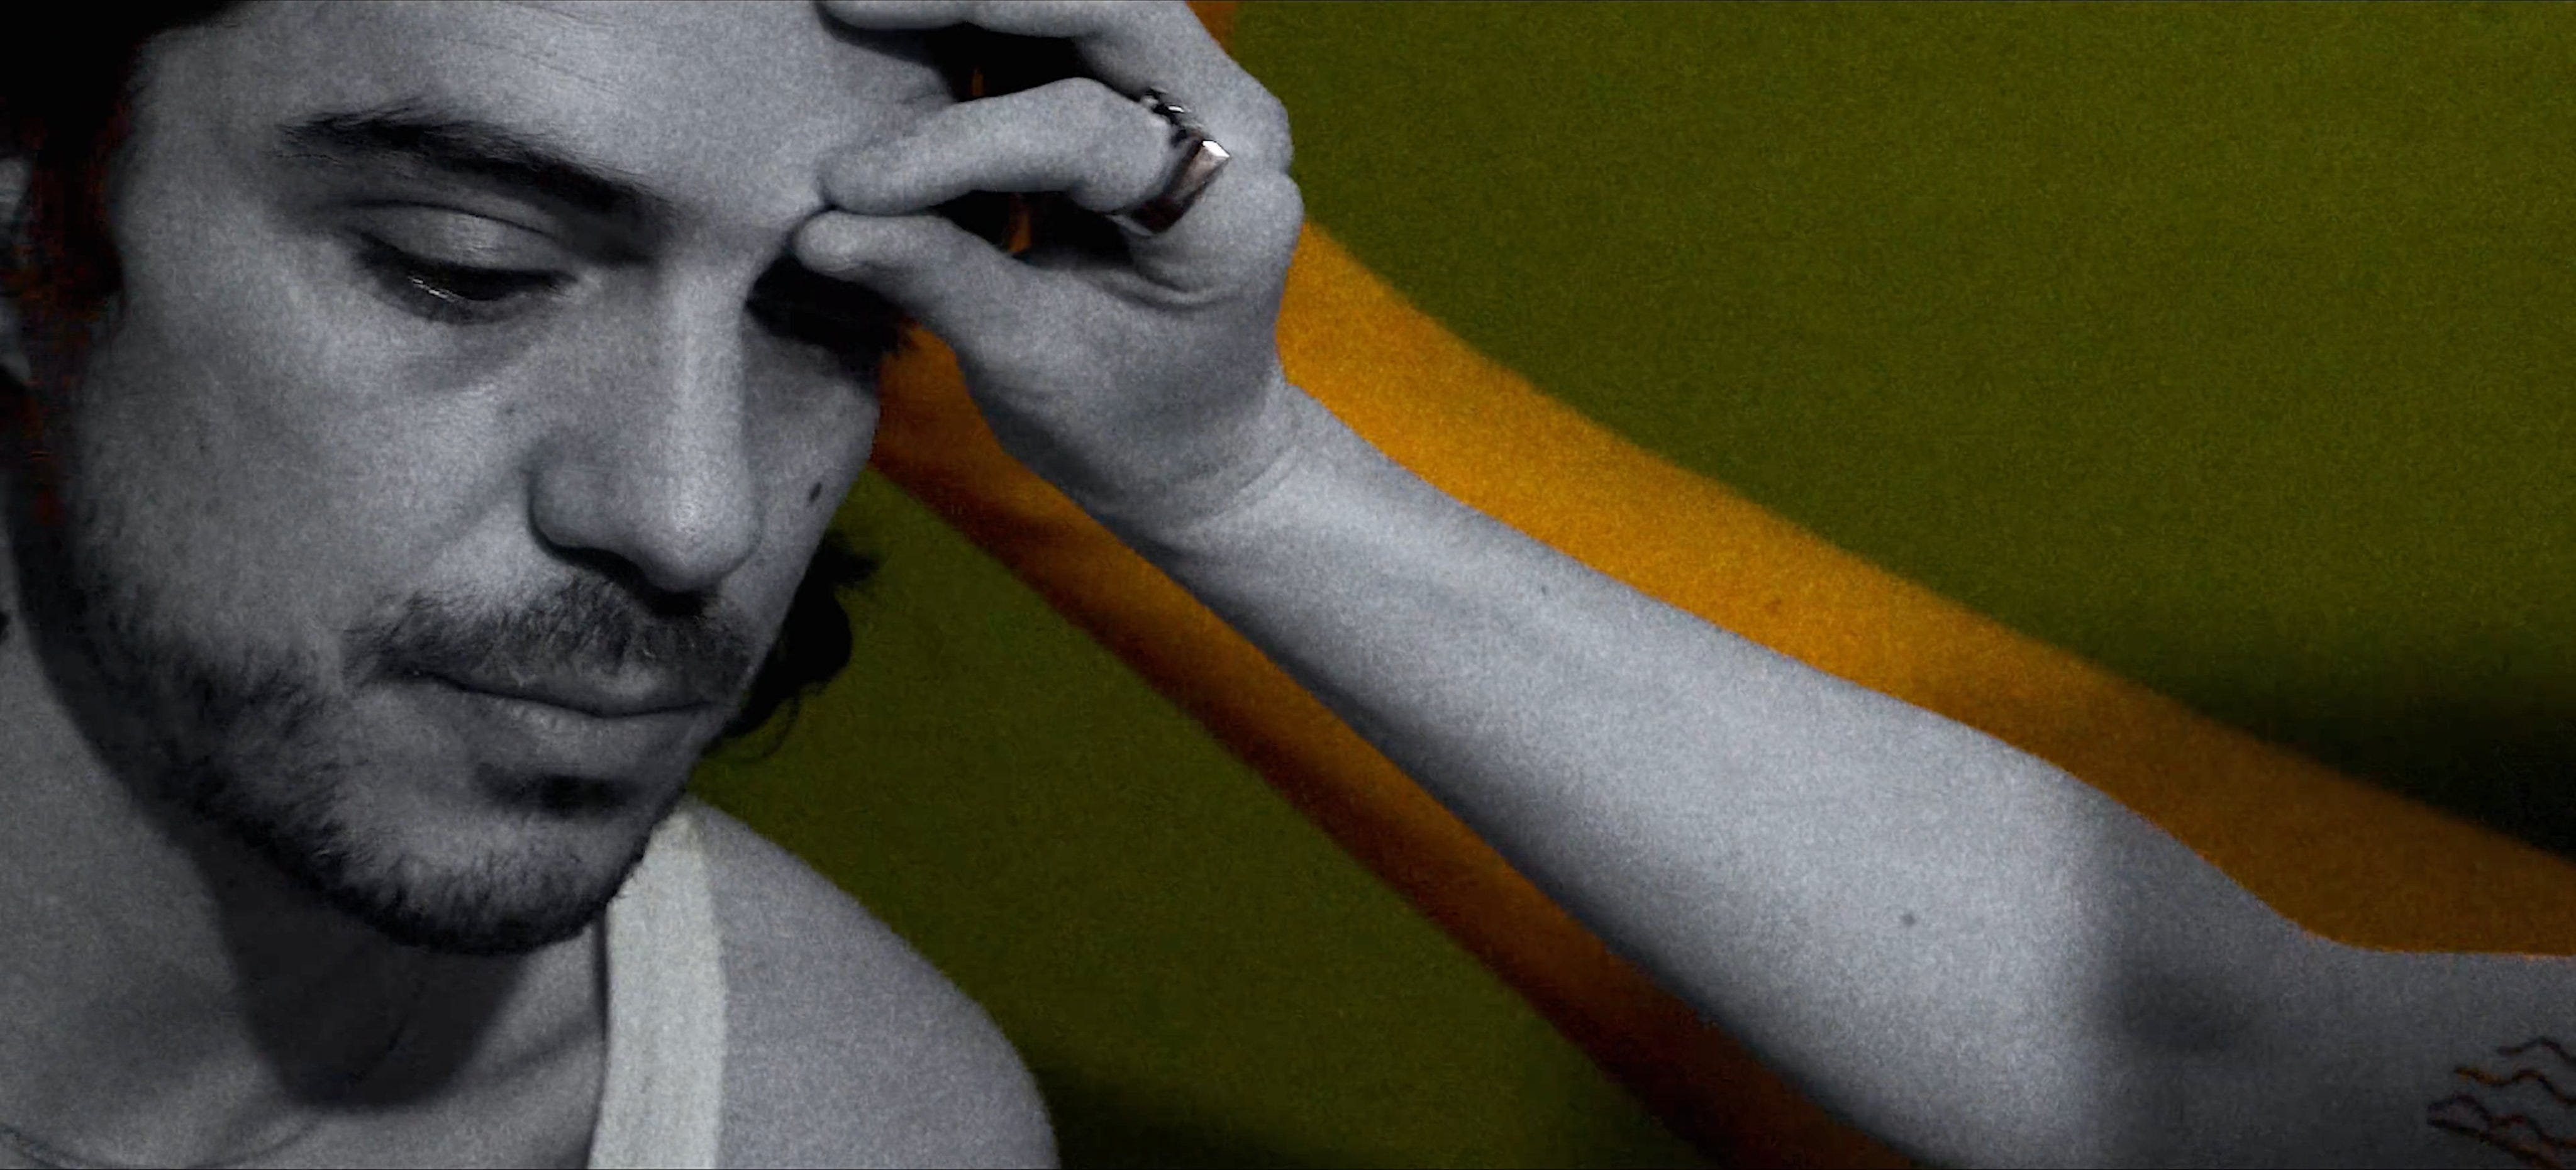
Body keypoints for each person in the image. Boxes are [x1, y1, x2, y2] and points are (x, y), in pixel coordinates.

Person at [0, 3, 2564, 1167]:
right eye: (460, 264)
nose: (685, 517)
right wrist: (1232, 476)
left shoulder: (839, 1119)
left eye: (832, 319)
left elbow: (2230, 1079)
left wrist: (1228, 471)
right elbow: (2216, 1057)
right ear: (36, 227)